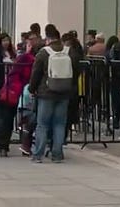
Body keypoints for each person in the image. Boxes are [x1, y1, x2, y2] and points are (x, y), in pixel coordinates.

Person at [28, 26, 80, 163]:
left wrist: (32, 88)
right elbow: (76, 71)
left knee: (42, 124)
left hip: (46, 92)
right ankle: (57, 154)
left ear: (48, 38)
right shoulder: (70, 52)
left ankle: (38, 154)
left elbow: (36, 73)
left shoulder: (43, 53)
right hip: (64, 92)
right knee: (59, 124)